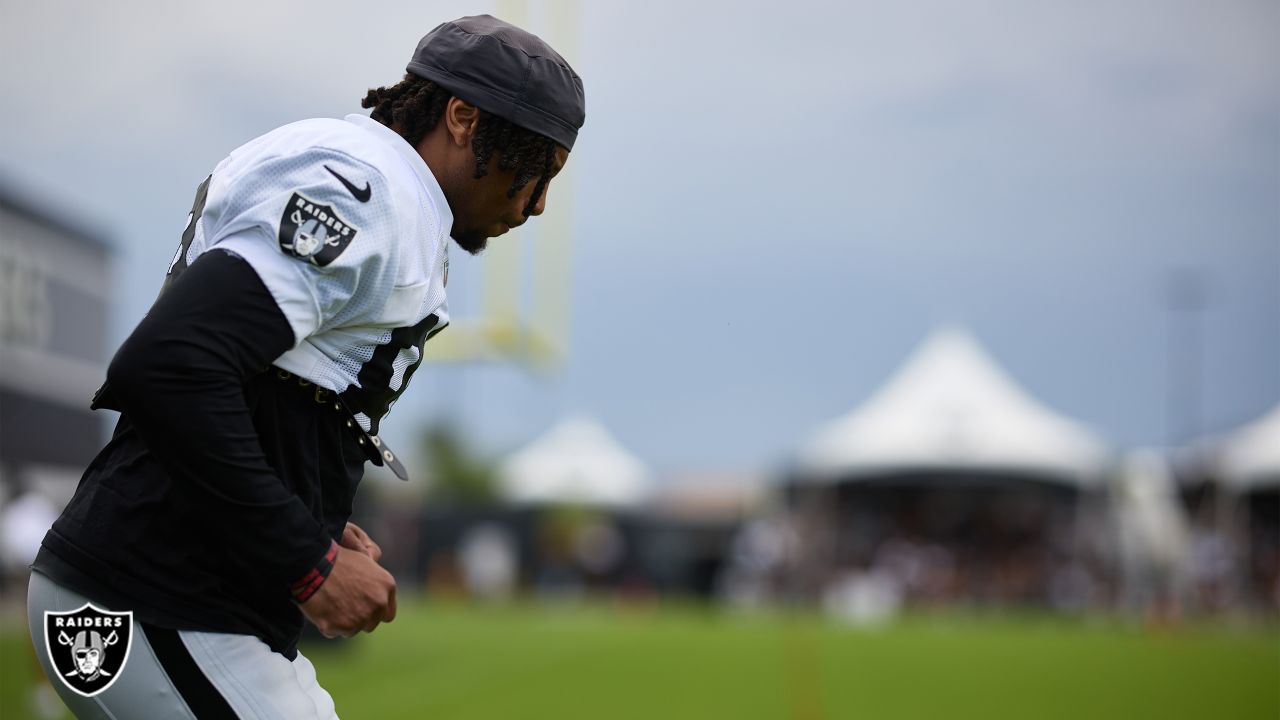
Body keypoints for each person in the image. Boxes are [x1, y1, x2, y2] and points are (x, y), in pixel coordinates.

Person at [26, 14, 584, 719]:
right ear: (464, 117)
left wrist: (305, 509)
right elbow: (170, 364)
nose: (535, 205)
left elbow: (257, 378)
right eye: (531, 167)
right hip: (154, 599)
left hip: (171, 597)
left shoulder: (361, 171)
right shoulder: (369, 187)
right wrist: (306, 560)